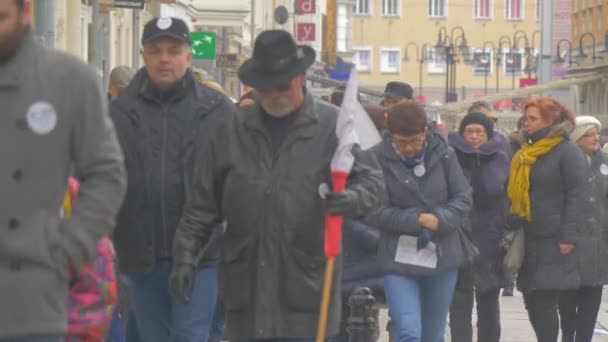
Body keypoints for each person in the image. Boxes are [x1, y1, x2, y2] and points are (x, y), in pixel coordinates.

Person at [169, 29, 384, 341]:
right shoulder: (231, 129)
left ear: (301, 78)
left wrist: (351, 198)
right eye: (264, 87)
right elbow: (202, 205)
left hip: (308, 286)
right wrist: (185, 256)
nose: (274, 94)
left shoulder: (333, 126)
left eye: (282, 85)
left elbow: (373, 184)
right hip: (247, 285)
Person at [0, 1, 127, 341]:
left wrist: (70, 248)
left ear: (26, 11)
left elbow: (106, 172)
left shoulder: (69, 81)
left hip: (35, 302)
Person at [110, 17, 233, 342]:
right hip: (141, 255)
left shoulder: (216, 110)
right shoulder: (120, 112)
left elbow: (235, 178)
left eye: (173, 50)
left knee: (189, 336)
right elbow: (104, 176)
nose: (164, 58)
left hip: (202, 256)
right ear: (144, 55)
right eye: (156, 50)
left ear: (188, 56)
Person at [367, 101, 472, 342]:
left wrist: (439, 219)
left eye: (414, 140)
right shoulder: (376, 157)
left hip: (442, 254)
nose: (409, 148)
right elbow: (374, 210)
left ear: (425, 131)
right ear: (390, 135)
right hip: (398, 257)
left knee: (432, 334)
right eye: (401, 142)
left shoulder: (444, 153)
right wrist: (416, 219)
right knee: (407, 330)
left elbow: (463, 197)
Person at [507, 97, 587, 342]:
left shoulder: (566, 151)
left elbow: (577, 195)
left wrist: (568, 236)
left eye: (533, 119)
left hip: (554, 240)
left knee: (543, 301)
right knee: (531, 299)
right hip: (528, 236)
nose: (526, 124)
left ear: (550, 121)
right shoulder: (524, 151)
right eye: (525, 118)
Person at [448, 112, 511, 342]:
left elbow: (504, 193)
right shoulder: (450, 156)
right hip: (458, 236)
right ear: (462, 133)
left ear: (488, 134)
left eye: (479, 132)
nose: (474, 136)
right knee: (459, 302)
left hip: (490, 238)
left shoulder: (500, 157)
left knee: (489, 301)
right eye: (469, 131)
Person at [558, 116, 608, 342]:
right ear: (577, 138)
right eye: (589, 134)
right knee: (567, 302)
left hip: (599, 243)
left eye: (596, 133)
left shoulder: (604, 162)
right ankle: (568, 336)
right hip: (571, 242)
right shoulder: (563, 162)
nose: (595, 138)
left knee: (592, 297)